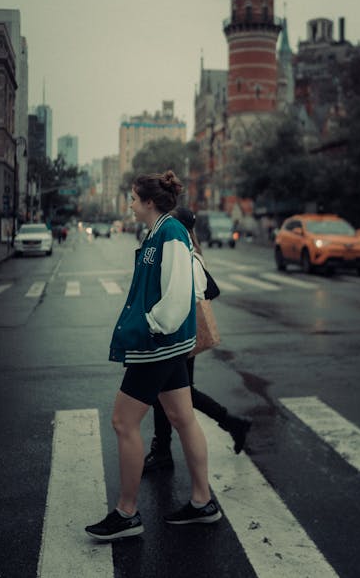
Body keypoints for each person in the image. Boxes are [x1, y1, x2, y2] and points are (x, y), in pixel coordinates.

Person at [85, 171, 221, 542]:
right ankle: (202, 501)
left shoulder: (171, 232)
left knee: (122, 422)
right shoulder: (159, 231)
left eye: (132, 198)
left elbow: (186, 287)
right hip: (166, 345)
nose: (128, 203)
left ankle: (127, 512)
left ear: (148, 201)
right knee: (182, 416)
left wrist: (152, 324)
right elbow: (193, 279)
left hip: (157, 346)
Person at [143, 207, 251, 474]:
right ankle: (164, 450)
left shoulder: (184, 253)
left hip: (178, 334)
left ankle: (227, 424)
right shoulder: (192, 250)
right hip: (182, 333)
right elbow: (210, 289)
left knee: (178, 392)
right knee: (173, 392)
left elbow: (205, 289)